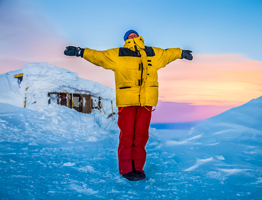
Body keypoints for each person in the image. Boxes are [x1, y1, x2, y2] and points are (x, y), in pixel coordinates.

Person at [64, 30, 193, 181]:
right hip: (127, 103)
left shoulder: (152, 53)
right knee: (127, 137)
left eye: (134, 34)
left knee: (141, 137)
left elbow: (167, 54)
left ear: (139, 37)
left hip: (146, 103)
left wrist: (181, 52)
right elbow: (98, 56)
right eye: (129, 35)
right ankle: (126, 169)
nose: (132, 35)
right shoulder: (118, 54)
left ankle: (138, 168)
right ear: (126, 39)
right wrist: (80, 51)